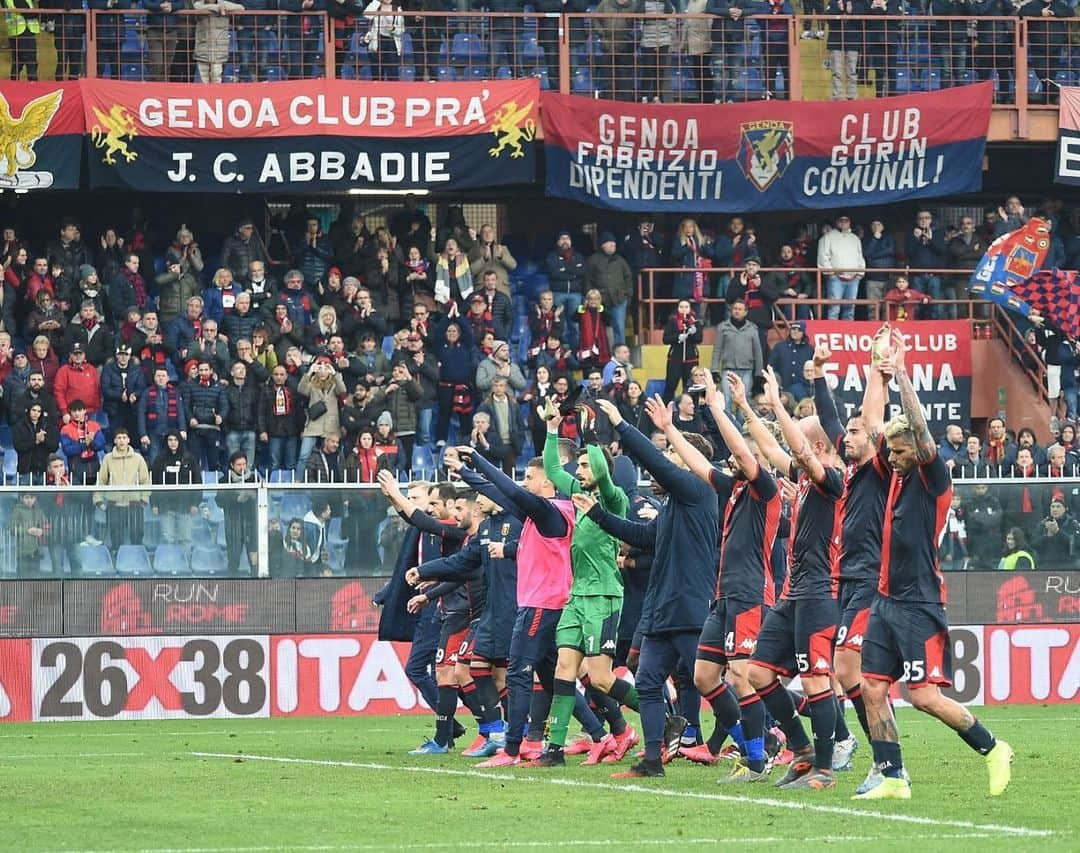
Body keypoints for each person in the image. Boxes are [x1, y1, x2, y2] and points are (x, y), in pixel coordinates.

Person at [854, 333, 1012, 800]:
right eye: (892, 453)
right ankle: (892, 777)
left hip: (919, 603)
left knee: (922, 697)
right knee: (872, 687)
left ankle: (994, 748)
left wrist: (901, 372)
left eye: (900, 453)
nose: (893, 459)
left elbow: (920, 434)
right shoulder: (896, 474)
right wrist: (874, 374)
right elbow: (871, 422)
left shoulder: (932, 477)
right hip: (884, 601)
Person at [576, 395, 717, 778]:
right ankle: (653, 760)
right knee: (649, 682)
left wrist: (622, 424)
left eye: (672, 456)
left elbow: (654, 462)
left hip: (689, 607)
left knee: (712, 682)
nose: (661, 466)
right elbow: (641, 535)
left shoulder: (697, 493)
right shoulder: (672, 506)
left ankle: (760, 738)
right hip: (662, 610)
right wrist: (598, 515)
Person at [734, 361, 844, 791]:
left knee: (817, 677)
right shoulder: (805, 474)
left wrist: (777, 403)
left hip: (820, 592)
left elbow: (796, 451)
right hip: (793, 592)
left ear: (817, 446)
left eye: (801, 435)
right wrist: (745, 406)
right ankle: (802, 753)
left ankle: (826, 767)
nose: (792, 441)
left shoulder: (833, 479)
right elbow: (781, 452)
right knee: (759, 674)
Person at [526, 408, 638, 768]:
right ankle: (553, 750)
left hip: (603, 596)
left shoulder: (614, 498)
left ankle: (663, 719)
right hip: (577, 597)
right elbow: (555, 470)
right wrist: (552, 428)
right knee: (563, 669)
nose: (581, 472)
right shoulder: (576, 492)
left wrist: (591, 438)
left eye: (587, 467)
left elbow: (603, 476)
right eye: (583, 466)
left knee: (602, 679)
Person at [94, 429, 151, 550]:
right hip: (114, 504)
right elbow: (101, 480)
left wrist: (144, 499)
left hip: (134, 504)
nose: (121, 440)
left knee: (137, 535)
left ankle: (136, 559)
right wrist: (98, 500)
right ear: (115, 440)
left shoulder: (138, 458)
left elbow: (145, 480)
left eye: (124, 437)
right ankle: (117, 559)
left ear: (128, 440)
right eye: (119, 438)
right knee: (116, 537)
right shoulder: (108, 458)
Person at [150, 431, 203, 544]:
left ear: (180, 441)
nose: (173, 443)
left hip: (185, 505)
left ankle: (186, 561)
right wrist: (154, 504)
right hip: (165, 506)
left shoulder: (189, 458)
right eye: (170, 440)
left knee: (185, 539)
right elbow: (154, 482)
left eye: (175, 440)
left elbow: (197, 481)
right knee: (168, 539)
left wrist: (195, 503)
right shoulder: (159, 459)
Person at [297, 358, 347, 476]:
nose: (323, 371)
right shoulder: (312, 383)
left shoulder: (335, 382)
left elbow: (342, 391)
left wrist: (335, 374)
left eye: (326, 368)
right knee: (304, 455)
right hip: (313, 425)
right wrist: (309, 373)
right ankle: (298, 482)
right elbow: (301, 390)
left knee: (331, 454)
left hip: (331, 425)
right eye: (320, 368)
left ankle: (330, 480)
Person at [711, 298, 762, 413]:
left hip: (747, 371)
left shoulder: (752, 329)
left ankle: (742, 428)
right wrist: (714, 370)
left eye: (740, 309)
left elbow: (758, 352)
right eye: (735, 309)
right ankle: (728, 428)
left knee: (744, 401)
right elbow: (717, 350)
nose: (737, 311)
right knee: (726, 400)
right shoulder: (723, 327)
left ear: (745, 312)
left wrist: (758, 373)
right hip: (728, 370)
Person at [585, 233, 633, 347]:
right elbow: (587, 280)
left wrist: (628, 295)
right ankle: (602, 355)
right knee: (598, 329)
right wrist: (590, 297)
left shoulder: (620, 260)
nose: (613, 244)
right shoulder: (592, 260)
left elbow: (628, 278)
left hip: (619, 299)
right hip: (599, 301)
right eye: (609, 242)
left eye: (614, 242)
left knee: (619, 328)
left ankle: (620, 356)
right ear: (602, 245)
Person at [219, 451, 259, 574]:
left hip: (251, 521)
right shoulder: (225, 480)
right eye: (238, 464)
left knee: (254, 553)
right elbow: (219, 501)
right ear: (232, 465)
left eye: (244, 464)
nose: (242, 467)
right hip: (233, 522)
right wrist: (236, 498)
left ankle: (256, 578)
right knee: (234, 554)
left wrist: (253, 496)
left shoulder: (254, 478)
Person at [818, 214, 865, 321]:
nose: (844, 223)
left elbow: (860, 256)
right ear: (836, 222)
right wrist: (831, 273)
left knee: (850, 308)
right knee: (834, 308)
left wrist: (860, 274)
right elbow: (823, 256)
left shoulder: (855, 238)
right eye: (841, 221)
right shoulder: (828, 237)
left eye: (846, 221)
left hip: (853, 277)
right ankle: (832, 332)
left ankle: (847, 332)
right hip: (836, 278)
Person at [545, 231, 587, 346]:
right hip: (558, 293)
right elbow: (554, 273)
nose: (565, 241)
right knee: (560, 324)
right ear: (558, 242)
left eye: (567, 238)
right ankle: (562, 352)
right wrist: (573, 272)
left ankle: (575, 353)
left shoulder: (578, 256)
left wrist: (565, 270)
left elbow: (582, 272)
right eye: (562, 238)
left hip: (575, 294)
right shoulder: (552, 256)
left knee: (575, 325)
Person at [662, 299, 702, 402]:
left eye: (686, 307)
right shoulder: (672, 321)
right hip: (675, 360)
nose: (683, 309)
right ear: (677, 308)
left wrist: (692, 333)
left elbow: (699, 339)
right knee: (670, 386)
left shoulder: (695, 322)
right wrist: (678, 337)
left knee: (690, 387)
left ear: (690, 309)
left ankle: (690, 410)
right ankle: (666, 410)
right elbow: (666, 339)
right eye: (681, 307)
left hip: (691, 360)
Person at [59, 399, 107, 486]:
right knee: (78, 498)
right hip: (76, 469)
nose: (77, 413)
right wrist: (85, 444)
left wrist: (92, 442)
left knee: (95, 497)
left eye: (79, 410)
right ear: (70, 413)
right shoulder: (65, 429)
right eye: (74, 411)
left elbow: (101, 445)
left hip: (94, 467)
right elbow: (67, 450)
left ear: (84, 411)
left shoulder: (94, 425)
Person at [12, 400, 59, 484]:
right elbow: (18, 447)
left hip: (44, 471)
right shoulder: (19, 426)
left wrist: (44, 440)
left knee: (44, 497)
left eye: (39, 411)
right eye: (34, 410)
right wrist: (35, 441)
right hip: (26, 471)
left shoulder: (47, 426)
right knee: (25, 496)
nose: (36, 413)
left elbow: (54, 446)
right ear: (28, 410)